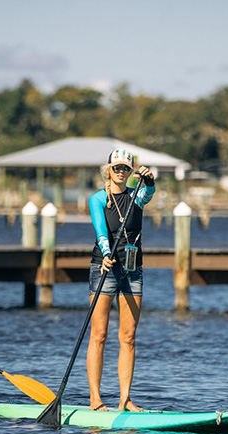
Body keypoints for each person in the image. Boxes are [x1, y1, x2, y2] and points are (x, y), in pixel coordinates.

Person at [86, 148, 156, 412]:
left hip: (132, 268)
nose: (120, 172)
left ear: (130, 172)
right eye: (116, 168)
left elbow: (149, 193)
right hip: (104, 267)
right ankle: (95, 399)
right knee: (99, 334)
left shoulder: (136, 196)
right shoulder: (98, 199)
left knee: (128, 337)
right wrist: (106, 254)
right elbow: (100, 230)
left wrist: (149, 180)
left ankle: (125, 399)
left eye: (126, 168)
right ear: (109, 170)